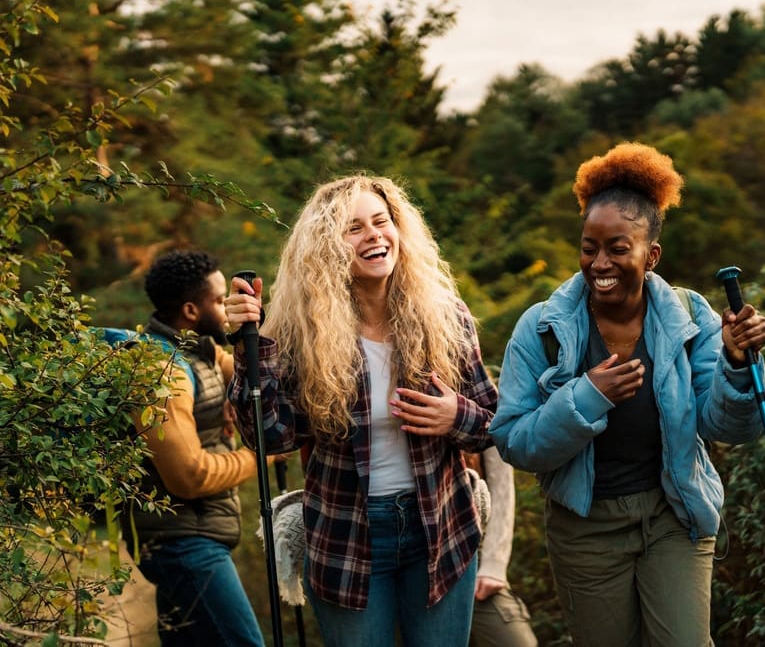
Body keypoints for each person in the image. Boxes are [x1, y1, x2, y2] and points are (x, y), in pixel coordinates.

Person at [489, 142, 765, 647]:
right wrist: (586, 398)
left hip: (674, 514)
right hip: (585, 528)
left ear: (651, 255)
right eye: (589, 248)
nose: (600, 263)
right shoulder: (541, 328)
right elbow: (514, 441)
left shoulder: (690, 317)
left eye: (618, 249)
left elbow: (731, 428)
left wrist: (735, 362)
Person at [224, 174, 498, 647]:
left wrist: (455, 416)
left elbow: (495, 424)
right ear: (326, 249)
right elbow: (272, 437)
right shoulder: (301, 334)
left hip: (441, 530)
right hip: (345, 537)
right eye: (353, 228)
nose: (373, 235)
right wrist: (249, 349)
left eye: (380, 221)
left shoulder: (444, 316)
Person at [125, 249, 267, 647]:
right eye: (220, 301)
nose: (227, 310)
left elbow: (258, 377)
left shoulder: (200, 352)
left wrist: (237, 396)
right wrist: (261, 455)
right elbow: (188, 476)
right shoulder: (160, 371)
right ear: (190, 310)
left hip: (192, 539)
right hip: (183, 545)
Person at [466, 447, 538, 647]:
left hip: (473, 551)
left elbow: (501, 487)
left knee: (516, 642)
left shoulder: (484, 424)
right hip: (409, 555)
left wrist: (493, 565)